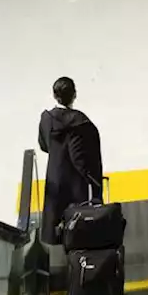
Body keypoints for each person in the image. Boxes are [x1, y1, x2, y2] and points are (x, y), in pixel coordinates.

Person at [37, 77, 103, 245]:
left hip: (55, 181)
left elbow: (44, 145)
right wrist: (94, 181)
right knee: (79, 233)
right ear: (74, 95)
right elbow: (84, 157)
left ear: (54, 95)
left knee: (58, 232)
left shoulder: (46, 119)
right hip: (76, 185)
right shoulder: (81, 122)